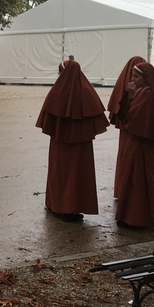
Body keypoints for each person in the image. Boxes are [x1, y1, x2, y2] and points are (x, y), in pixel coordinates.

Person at [35, 60, 108, 222]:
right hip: (82, 145)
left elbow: (48, 118)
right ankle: (73, 208)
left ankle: (57, 205)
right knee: (78, 174)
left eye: (60, 72)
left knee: (59, 173)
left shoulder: (57, 92)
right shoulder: (88, 92)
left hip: (60, 143)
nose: (58, 76)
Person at [114, 62, 154, 229]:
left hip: (141, 144)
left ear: (146, 78)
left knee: (139, 180)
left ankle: (138, 218)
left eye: (137, 76)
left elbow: (133, 118)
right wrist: (130, 97)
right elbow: (126, 115)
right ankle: (130, 215)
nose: (133, 79)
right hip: (136, 142)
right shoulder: (142, 92)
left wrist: (130, 98)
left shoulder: (149, 96)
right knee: (131, 177)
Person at [106, 55, 147, 199]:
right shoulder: (134, 87)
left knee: (125, 157)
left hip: (127, 127)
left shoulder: (126, 82)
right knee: (132, 159)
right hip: (133, 127)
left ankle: (122, 190)